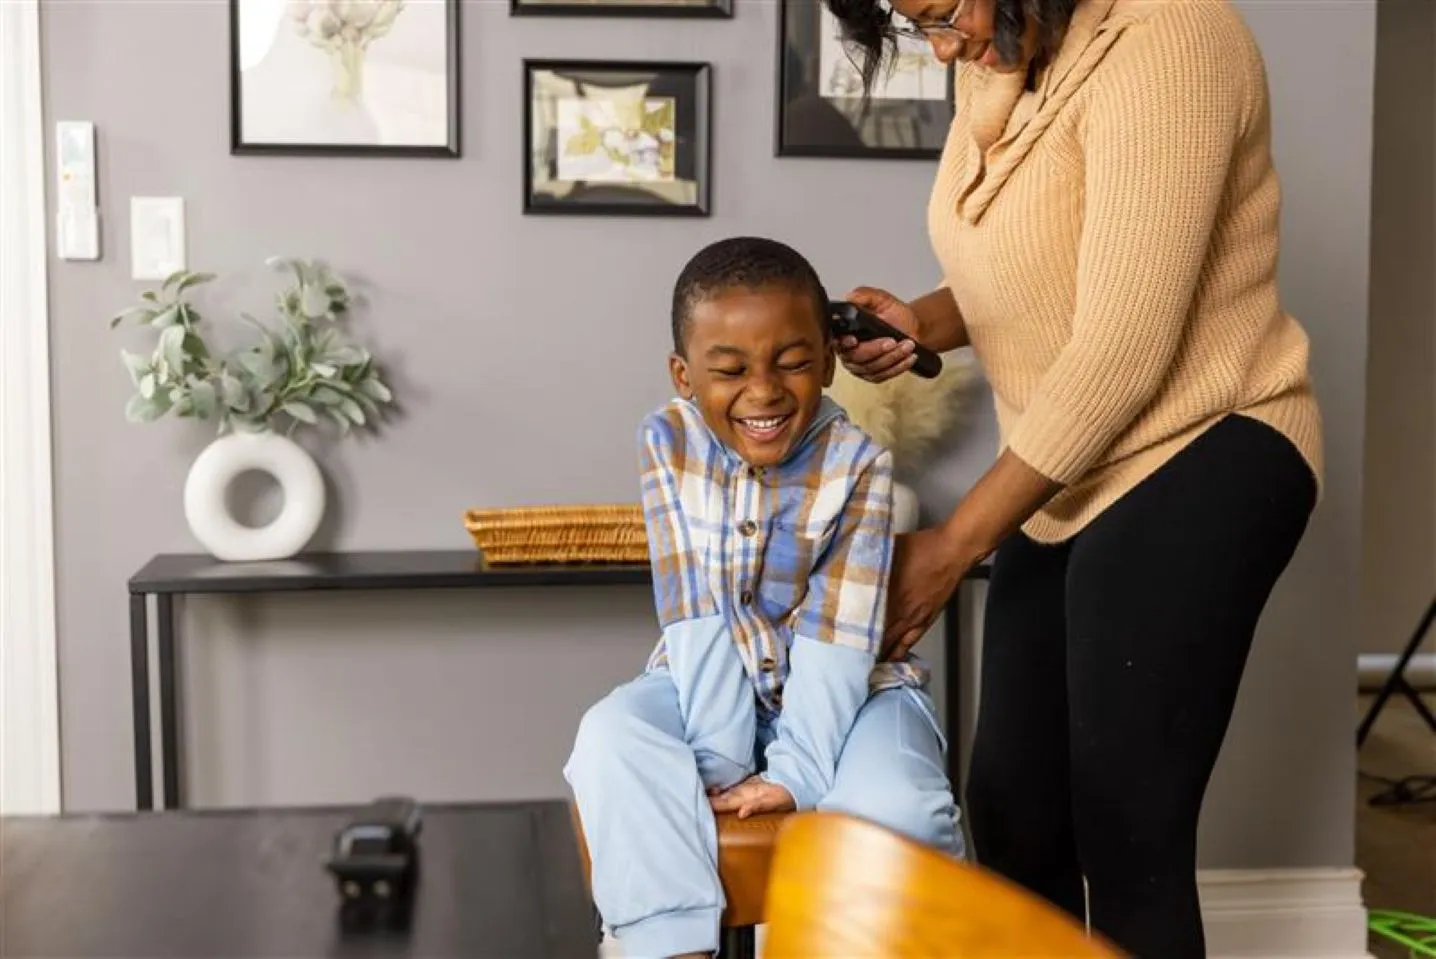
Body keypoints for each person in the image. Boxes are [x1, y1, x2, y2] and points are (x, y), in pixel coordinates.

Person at [821, 0, 1324, 956]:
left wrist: (952, 548)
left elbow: (1126, 342)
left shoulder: (1172, 39)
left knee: (1126, 823)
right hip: (1069, 472)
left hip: (1208, 443)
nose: (937, 45)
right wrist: (926, 320)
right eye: (907, 20)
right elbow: (1040, 264)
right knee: (1014, 813)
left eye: (937, 13)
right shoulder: (1004, 51)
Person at [564, 236, 963, 959]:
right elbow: (695, 606)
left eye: (793, 362)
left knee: (900, 806)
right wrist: (720, 759)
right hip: (701, 676)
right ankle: (671, 944)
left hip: (854, 689)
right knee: (609, 737)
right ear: (683, 375)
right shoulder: (665, 443)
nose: (765, 391)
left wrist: (797, 775)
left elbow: (837, 635)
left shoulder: (858, 465)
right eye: (729, 370)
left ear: (830, 359)